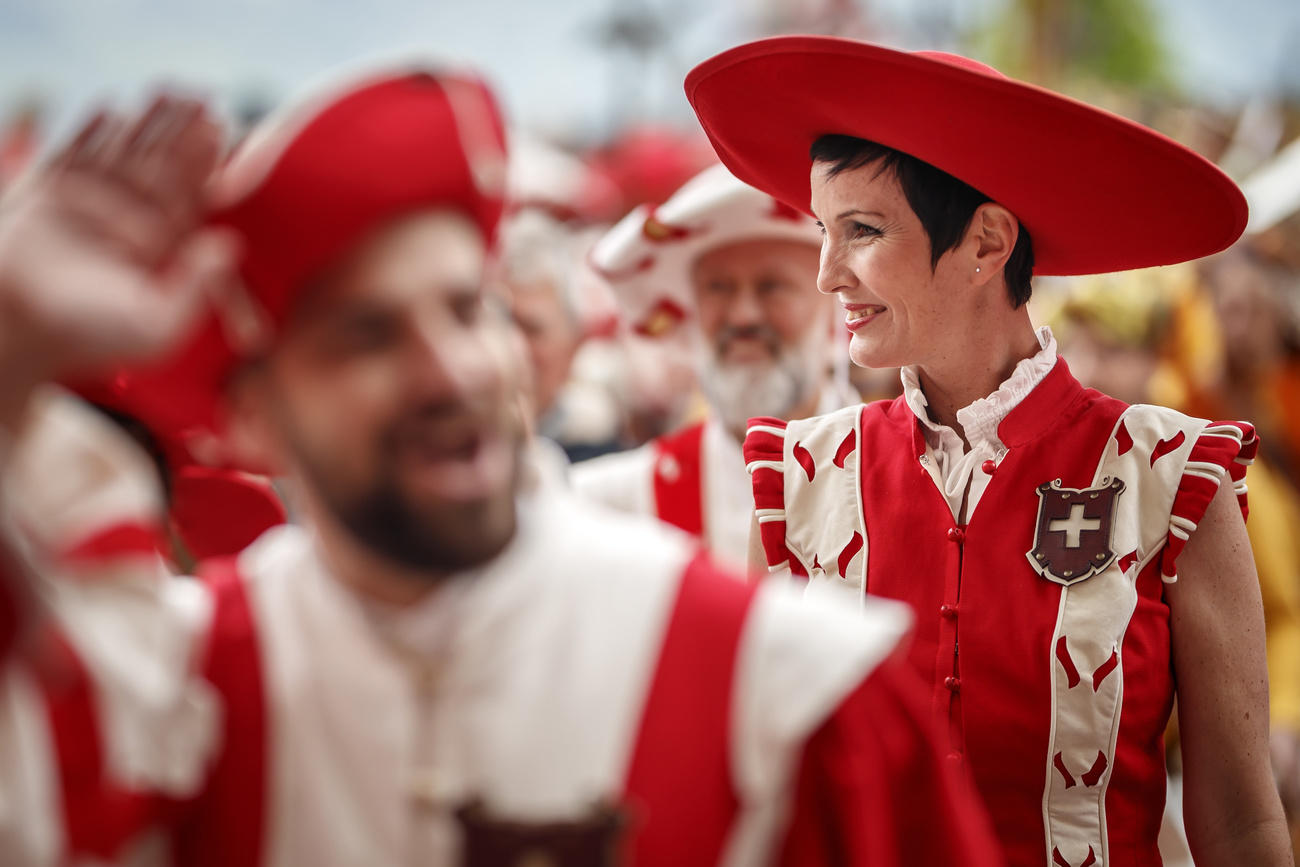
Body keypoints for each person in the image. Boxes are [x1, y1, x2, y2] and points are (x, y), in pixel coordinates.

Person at [0, 70, 1003, 865]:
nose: (448, 370)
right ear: (254, 417)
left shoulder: (792, 688)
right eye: (366, 336)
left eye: (464, 307)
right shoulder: (180, 693)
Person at [685, 36, 1294, 867]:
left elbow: (1242, 826)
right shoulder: (794, 481)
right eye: (822, 231)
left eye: (861, 230)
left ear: (986, 242)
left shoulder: (1173, 478)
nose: (827, 273)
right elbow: (767, 800)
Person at [573, 165, 851, 567]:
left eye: (773, 285)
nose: (742, 316)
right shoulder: (610, 507)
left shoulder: (901, 479)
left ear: (836, 311)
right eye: (717, 288)